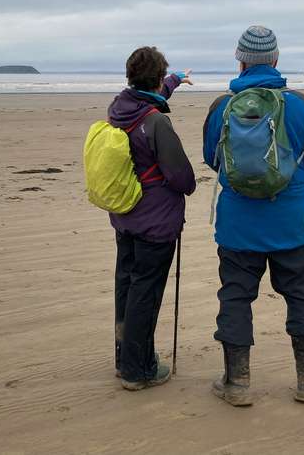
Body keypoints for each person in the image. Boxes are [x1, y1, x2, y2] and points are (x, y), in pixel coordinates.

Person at [202, 25, 304, 406]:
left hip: (238, 224)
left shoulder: (221, 107)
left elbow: (212, 158)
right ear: (275, 60)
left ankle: (236, 382)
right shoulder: (301, 105)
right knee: (301, 294)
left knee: (235, 297)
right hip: (292, 221)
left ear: (240, 59)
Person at [108, 46, 196, 390]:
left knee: (126, 286)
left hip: (125, 214)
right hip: (155, 223)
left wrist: (175, 80)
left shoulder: (119, 110)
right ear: (156, 79)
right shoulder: (156, 121)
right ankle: (138, 369)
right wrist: (188, 185)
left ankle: (122, 359)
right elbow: (181, 177)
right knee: (146, 291)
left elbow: (150, 98)